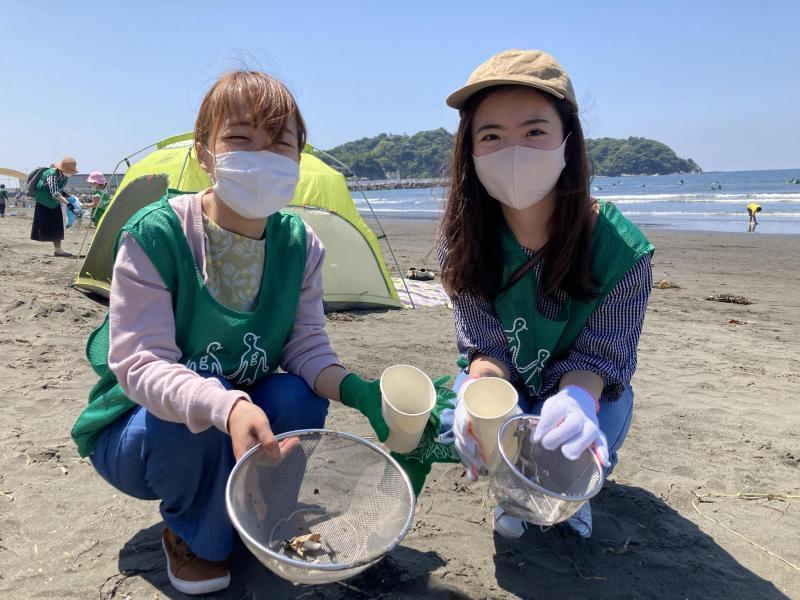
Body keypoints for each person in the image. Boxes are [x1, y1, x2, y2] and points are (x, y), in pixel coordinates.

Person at [70, 70, 395, 596]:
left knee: (297, 394)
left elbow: (305, 346)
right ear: (204, 153)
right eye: (241, 140)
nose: (262, 158)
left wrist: (359, 390)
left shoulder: (300, 245)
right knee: (196, 407)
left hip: (240, 418)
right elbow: (140, 364)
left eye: (280, 145)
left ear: (298, 158)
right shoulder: (156, 235)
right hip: (141, 429)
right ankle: (193, 537)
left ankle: (261, 510)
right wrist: (227, 406)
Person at [436, 50, 654, 540]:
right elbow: (485, 346)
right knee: (463, 419)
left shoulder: (621, 249)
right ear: (469, 150)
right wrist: (481, 393)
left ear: (567, 142)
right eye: (491, 136)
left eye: (535, 131)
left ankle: (569, 487)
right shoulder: (465, 241)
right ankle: (509, 482)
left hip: (580, 388)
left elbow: (601, 356)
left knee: (566, 439)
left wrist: (577, 400)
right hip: (511, 377)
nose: (514, 150)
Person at [30, 157, 78, 256]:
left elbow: (59, 190)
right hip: (43, 202)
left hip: (54, 203)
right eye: (69, 171)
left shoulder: (64, 176)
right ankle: (58, 250)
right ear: (63, 169)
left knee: (57, 225)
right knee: (47, 226)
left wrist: (69, 197)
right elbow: (55, 193)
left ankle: (58, 250)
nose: (71, 174)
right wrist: (68, 204)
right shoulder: (51, 174)